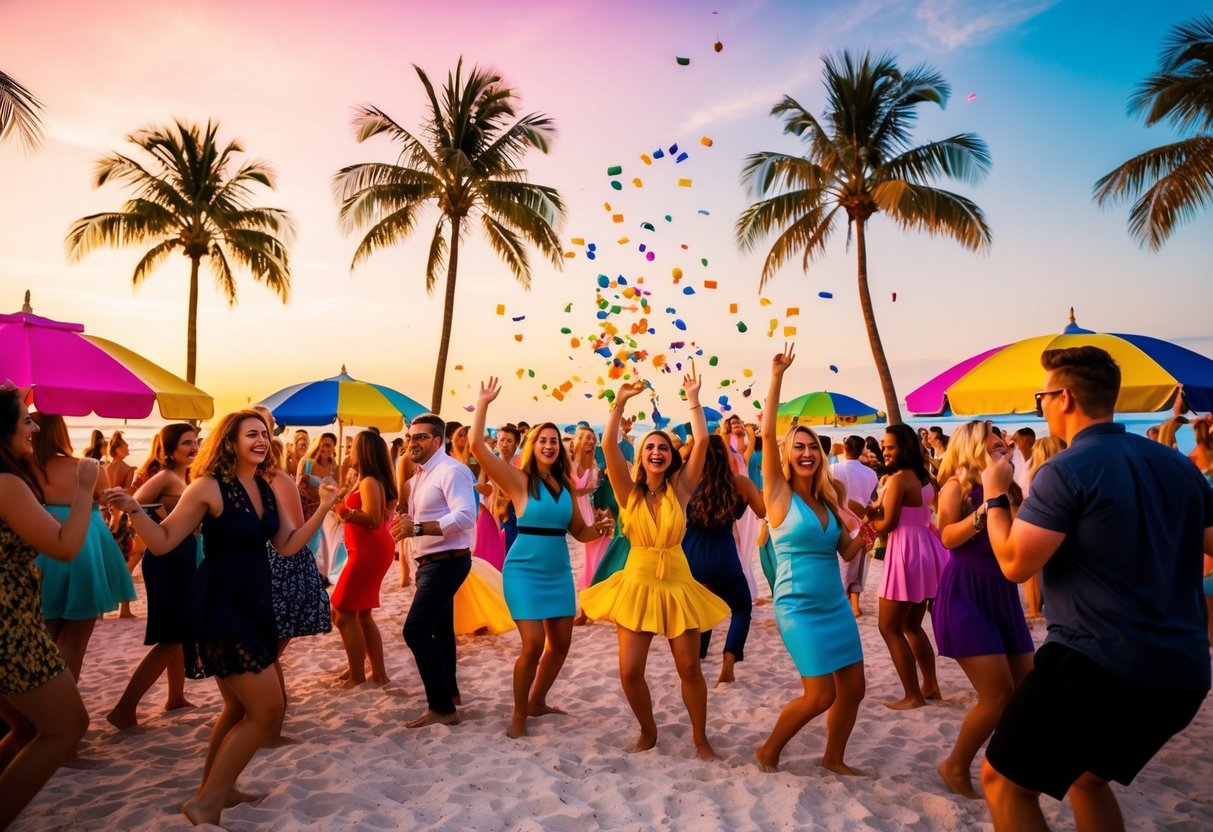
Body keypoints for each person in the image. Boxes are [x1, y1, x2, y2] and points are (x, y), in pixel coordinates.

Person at [979, 346, 1213, 832]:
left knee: (1003, 782)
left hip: (1095, 661)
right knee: (1088, 778)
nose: (1040, 406)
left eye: (1041, 396)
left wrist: (995, 493)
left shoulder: (1064, 470)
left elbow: (1015, 564)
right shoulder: (1178, 466)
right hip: (1182, 671)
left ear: (1064, 398)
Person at [104, 410, 338, 827]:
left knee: (235, 708)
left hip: (255, 603)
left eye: (265, 434)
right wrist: (134, 510)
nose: (262, 440)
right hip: (220, 605)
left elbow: (286, 545)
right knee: (267, 710)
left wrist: (323, 508)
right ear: (229, 441)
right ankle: (205, 803)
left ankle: (217, 790)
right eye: (252, 434)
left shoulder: (265, 487)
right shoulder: (207, 487)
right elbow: (162, 541)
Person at [580, 366, 730, 760]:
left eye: (663, 447)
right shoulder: (627, 492)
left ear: (669, 456)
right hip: (637, 583)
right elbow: (609, 447)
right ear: (642, 456)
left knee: (690, 669)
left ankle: (700, 738)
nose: (658, 452)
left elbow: (701, 442)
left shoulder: (681, 490)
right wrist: (619, 401)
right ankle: (648, 730)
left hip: (677, 581)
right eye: (651, 447)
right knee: (630, 672)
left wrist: (694, 399)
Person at [469, 380, 611, 737]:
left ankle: (538, 701)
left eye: (553, 440)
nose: (549, 445)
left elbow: (579, 531)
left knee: (561, 644)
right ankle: (518, 713)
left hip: (558, 570)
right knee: (532, 644)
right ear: (533, 446)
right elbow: (476, 447)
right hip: (523, 570)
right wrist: (483, 403)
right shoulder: (518, 480)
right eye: (542, 440)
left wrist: (601, 528)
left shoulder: (565, 484)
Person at [754, 345, 867, 775]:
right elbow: (766, 434)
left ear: (821, 454)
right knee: (820, 695)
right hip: (798, 607)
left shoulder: (830, 498)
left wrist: (867, 535)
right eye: (798, 447)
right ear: (787, 453)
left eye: (813, 447)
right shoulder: (778, 494)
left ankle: (833, 758)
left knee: (853, 690)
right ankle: (768, 751)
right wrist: (777, 375)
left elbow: (845, 552)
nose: (807, 452)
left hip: (834, 605)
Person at [0, 388, 99, 829]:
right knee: (66, 726)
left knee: (24, 728)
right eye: (26, 420)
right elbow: (65, 545)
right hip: (10, 625)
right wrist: (85, 487)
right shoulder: (5, 484)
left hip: (14, 616)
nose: (34, 428)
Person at [931, 421, 1034, 799]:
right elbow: (946, 536)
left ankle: (1007, 766)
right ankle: (955, 765)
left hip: (1003, 593)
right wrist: (987, 506)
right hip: (966, 593)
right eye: (996, 439)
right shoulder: (957, 486)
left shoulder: (1011, 486)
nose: (1003, 443)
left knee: (1027, 691)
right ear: (975, 443)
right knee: (997, 695)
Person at [106, 424, 200, 730]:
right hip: (167, 559)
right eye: (186, 443)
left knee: (177, 633)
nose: (193, 447)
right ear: (169, 449)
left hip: (181, 555)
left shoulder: (183, 477)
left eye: (195, 441)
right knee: (171, 636)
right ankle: (124, 708)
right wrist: (159, 522)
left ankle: (175, 697)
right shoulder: (166, 476)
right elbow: (137, 502)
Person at [31, 413, 136, 681]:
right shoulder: (87, 466)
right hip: (86, 543)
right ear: (62, 433)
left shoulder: (22, 468)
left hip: (41, 540)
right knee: (75, 643)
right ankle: (67, 702)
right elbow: (105, 496)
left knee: (41, 635)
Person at [390, 413, 478, 728]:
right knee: (440, 630)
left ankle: (441, 707)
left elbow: (467, 516)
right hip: (428, 563)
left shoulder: (452, 471)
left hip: (448, 560)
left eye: (421, 437)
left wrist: (415, 526)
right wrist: (404, 514)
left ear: (437, 441)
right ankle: (450, 694)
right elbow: (411, 519)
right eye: (410, 437)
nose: (413, 442)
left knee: (414, 630)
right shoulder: (419, 477)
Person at [869, 423, 944, 709]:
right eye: (884, 446)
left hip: (905, 550)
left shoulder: (899, 479)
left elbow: (886, 526)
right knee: (912, 625)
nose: (884, 451)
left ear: (905, 448)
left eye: (890, 447)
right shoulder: (925, 477)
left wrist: (866, 517)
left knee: (888, 628)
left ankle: (912, 695)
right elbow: (920, 509)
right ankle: (931, 686)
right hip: (925, 547)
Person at [683, 435, 765, 685]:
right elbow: (763, 511)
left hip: (691, 555)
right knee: (741, 608)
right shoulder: (740, 484)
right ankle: (728, 660)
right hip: (724, 555)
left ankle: (696, 657)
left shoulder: (689, 482)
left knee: (703, 606)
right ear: (726, 457)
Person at [332, 431, 397, 688]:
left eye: (353, 446)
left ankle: (358, 676)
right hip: (368, 550)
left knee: (342, 612)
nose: (349, 451)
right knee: (361, 614)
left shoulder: (370, 481)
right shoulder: (367, 479)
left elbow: (371, 519)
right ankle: (376, 674)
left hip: (368, 552)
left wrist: (343, 510)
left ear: (364, 452)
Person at [831, 435, 879, 617]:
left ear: (845, 448)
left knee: (840, 564)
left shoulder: (833, 469)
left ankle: (843, 603)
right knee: (858, 566)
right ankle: (855, 605)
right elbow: (872, 500)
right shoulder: (871, 474)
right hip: (862, 520)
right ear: (862, 450)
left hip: (838, 520)